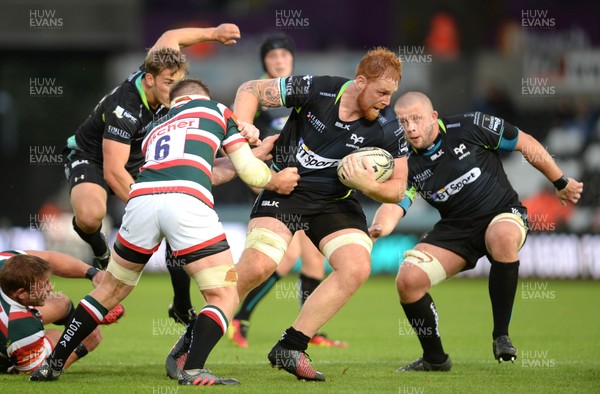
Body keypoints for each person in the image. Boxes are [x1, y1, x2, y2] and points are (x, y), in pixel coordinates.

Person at [30, 79, 299, 385]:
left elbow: (202, 169)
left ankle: (53, 363)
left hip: (141, 201)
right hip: (186, 203)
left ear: (173, 102)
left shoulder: (155, 127)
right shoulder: (217, 110)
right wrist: (275, 179)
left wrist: (254, 154)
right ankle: (195, 368)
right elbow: (249, 173)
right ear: (204, 96)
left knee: (108, 292)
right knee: (223, 294)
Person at [369, 91, 584, 372]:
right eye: (403, 121)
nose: (410, 127)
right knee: (408, 281)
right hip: (455, 229)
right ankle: (435, 358)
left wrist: (560, 180)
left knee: (502, 237)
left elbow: (525, 142)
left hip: (501, 213)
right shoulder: (406, 163)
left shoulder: (471, 126)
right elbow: (395, 204)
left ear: (433, 117)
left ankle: (501, 336)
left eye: (416, 118)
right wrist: (377, 227)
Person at [228, 47, 407, 381]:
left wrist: (368, 184)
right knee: (257, 266)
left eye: (391, 94)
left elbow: (398, 188)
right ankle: (194, 338)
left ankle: (291, 346)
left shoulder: (388, 126)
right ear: (359, 82)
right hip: (287, 187)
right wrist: (243, 127)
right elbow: (249, 90)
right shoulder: (318, 89)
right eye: (381, 92)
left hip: (335, 200)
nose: (386, 101)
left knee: (356, 266)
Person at [62, 23, 242, 327]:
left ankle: (181, 303)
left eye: (179, 82)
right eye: (169, 83)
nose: (175, 90)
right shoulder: (126, 107)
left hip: (139, 156)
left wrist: (215, 33)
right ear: (149, 80)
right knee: (91, 216)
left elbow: (172, 37)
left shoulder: (163, 68)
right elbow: (113, 171)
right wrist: (148, 210)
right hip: (93, 155)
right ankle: (102, 254)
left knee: (173, 218)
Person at [228, 33, 347, 349]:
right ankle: (239, 317)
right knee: (285, 256)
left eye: (284, 55)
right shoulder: (257, 96)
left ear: (292, 59)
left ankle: (312, 331)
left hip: (305, 185)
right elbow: (235, 140)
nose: (279, 60)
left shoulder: (300, 93)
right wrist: (259, 182)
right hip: (274, 182)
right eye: (272, 56)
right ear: (264, 62)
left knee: (313, 264)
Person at [0, 250, 123, 374]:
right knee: (57, 338)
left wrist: (93, 274)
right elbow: (40, 371)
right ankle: (7, 364)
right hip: (13, 330)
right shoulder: (19, 326)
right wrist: (81, 347)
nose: (51, 288)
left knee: (60, 302)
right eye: (44, 285)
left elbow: (49, 258)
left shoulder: (6, 260)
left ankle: (78, 324)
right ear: (21, 293)